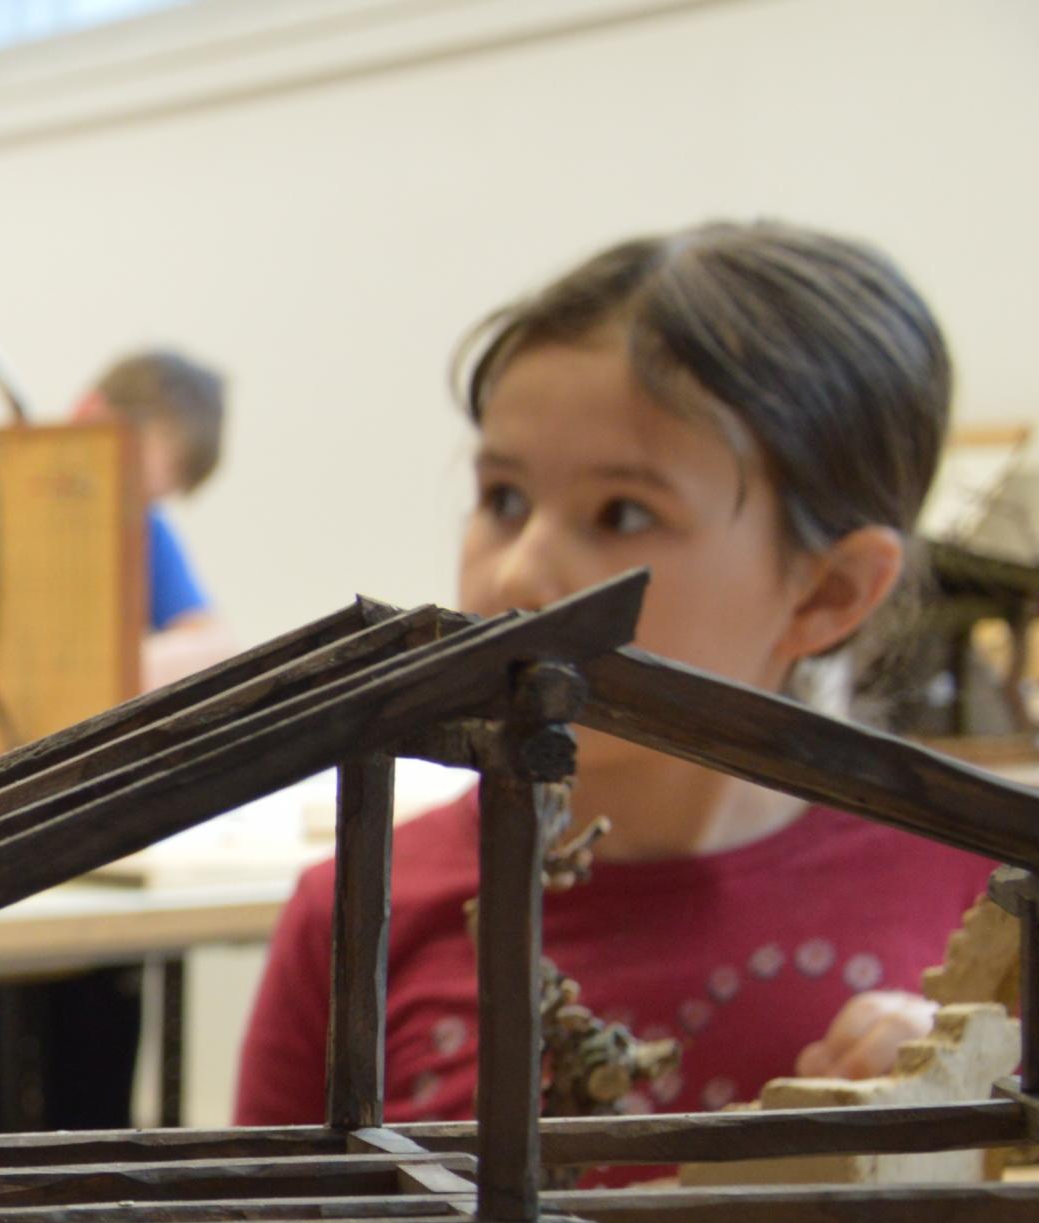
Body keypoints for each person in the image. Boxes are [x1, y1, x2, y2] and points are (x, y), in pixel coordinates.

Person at [235, 224, 983, 1130]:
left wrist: (964, 1088)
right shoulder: (356, 911)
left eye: (622, 513)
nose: (517, 573)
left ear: (829, 591)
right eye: (504, 498)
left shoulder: (986, 912)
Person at [80, 348, 228, 688]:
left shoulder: (144, 528)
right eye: (132, 481)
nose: (131, 508)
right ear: (89, 412)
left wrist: (117, 668)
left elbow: (215, 645)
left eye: (150, 498)